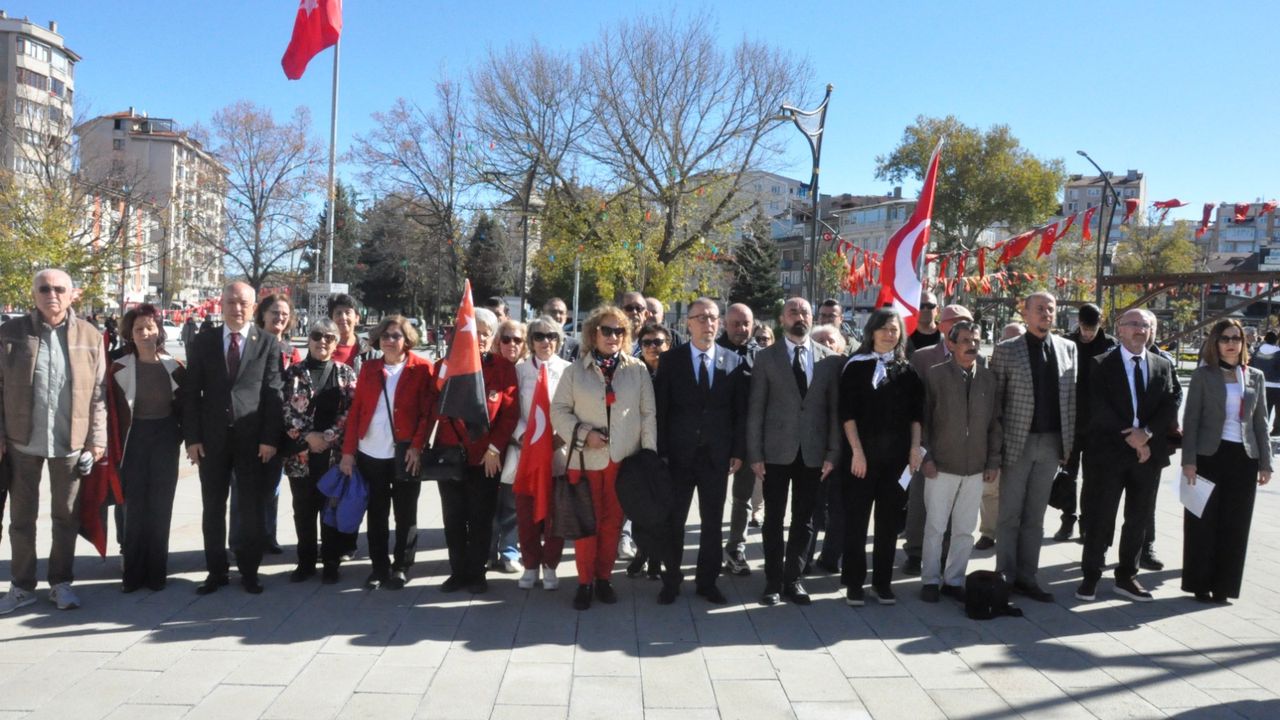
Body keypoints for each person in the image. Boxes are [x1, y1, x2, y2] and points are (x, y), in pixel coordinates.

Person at [0, 269, 107, 614]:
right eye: (44, 289)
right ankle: (21, 586)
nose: (52, 295)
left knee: (66, 517)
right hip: (22, 441)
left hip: (69, 443)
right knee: (22, 519)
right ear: (33, 294)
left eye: (59, 289)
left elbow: (99, 393)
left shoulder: (90, 335)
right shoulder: (10, 333)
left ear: (72, 294)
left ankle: (61, 583)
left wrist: (97, 441)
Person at [182, 281, 285, 596]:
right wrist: (192, 438)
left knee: (250, 508)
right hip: (212, 440)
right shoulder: (204, 341)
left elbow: (273, 392)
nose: (236, 308)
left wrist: (269, 438)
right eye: (230, 302)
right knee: (213, 507)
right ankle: (216, 572)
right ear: (221, 305)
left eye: (243, 303)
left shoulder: (267, 343)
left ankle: (250, 571)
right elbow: (191, 392)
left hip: (252, 440)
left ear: (253, 307)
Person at [551, 305, 656, 611]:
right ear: (593, 333)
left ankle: (604, 578)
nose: (613, 336)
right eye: (606, 330)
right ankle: (584, 581)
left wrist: (648, 456)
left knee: (611, 523)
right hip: (584, 460)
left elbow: (648, 414)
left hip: (623, 461)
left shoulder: (637, 369)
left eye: (619, 331)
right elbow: (558, 411)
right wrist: (584, 434)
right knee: (586, 522)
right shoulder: (574, 371)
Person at [1074, 309, 1179, 603]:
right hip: (1109, 453)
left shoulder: (1161, 364)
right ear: (1119, 329)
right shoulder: (1100, 364)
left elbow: (1170, 402)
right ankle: (1091, 576)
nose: (1140, 329)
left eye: (1145, 325)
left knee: (1138, 518)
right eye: (1133, 324)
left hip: (1148, 455)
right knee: (1100, 516)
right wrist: (1133, 437)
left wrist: (1146, 434)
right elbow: (1098, 407)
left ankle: (1127, 576)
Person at [746, 297, 839, 606]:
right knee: (773, 518)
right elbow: (756, 409)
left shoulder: (829, 359)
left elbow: (833, 411)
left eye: (805, 312)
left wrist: (833, 452)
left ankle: (794, 579)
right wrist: (755, 454)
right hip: (775, 452)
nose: (800, 316)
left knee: (805, 519)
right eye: (793, 312)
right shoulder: (766, 358)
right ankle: (773, 581)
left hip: (813, 452)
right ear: (782, 319)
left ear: (813, 318)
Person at [653, 299, 747, 605]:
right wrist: (662, 452)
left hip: (716, 456)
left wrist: (737, 450)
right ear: (688, 323)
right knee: (674, 520)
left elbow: (739, 413)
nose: (709, 323)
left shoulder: (733, 361)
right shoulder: (671, 361)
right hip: (679, 456)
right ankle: (671, 580)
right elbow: (661, 410)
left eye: (713, 318)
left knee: (712, 522)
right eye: (702, 318)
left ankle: (708, 582)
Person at [988, 291, 1077, 603]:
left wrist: (1068, 446)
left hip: (1051, 444)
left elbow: (1071, 400)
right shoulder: (1006, 350)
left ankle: (1028, 577)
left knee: (1035, 517)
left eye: (1050, 308)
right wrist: (995, 450)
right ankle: (1005, 575)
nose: (1046, 313)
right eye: (1039, 308)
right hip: (1017, 444)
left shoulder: (1067, 348)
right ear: (1025, 313)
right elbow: (996, 403)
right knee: (1009, 515)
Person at [1181, 319, 1272, 603]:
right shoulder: (1203, 375)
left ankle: (1225, 586)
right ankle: (1199, 583)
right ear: (1215, 343)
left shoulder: (1255, 376)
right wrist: (1188, 460)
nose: (1231, 343)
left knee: (1236, 524)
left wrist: (1266, 463)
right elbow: (1191, 420)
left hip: (1244, 458)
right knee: (1202, 521)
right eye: (1225, 338)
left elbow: (1261, 423)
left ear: (1244, 342)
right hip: (1209, 456)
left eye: (1236, 338)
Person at [339, 316, 434, 590]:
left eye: (396, 336)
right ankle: (379, 567)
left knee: (406, 513)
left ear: (407, 340)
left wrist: (417, 446)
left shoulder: (421, 368)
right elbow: (357, 411)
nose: (390, 341)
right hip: (370, 452)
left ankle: (402, 566)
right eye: (385, 336)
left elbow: (427, 414)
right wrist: (348, 452)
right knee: (376, 513)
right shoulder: (370, 368)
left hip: (405, 454)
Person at [840, 309, 924, 606]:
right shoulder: (856, 366)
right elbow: (847, 415)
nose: (890, 334)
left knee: (888, 524)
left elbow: (916, 416)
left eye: (895, 329)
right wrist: (857, 452)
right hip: (861, 459)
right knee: (856, 522)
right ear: (872, 331)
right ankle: (854, 583)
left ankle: (882, 583)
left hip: (896, 460)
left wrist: (914, 449)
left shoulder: (907, 371)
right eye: (884, 328)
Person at [433, 308, 520, 594]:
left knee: (481, 517)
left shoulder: (503, 368)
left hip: (486, 457)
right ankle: (458, 572)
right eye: (475, 332)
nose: (480, 338)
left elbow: (510, 413)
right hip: (451, 454)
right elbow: (435, 409)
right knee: (454, 516)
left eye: (486, 333)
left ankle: (477, 572)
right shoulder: (445, 366)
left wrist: (495, 448)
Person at [919, 320, 1000, 603]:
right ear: (951, 344)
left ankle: (953, 581)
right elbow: (923, 422)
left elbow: (995, 423)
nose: (972, 345)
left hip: (976, 468)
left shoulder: (988, 379)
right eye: (965, 340)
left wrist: (993, 461)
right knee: (935, 527)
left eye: (975, 340)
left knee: (965, 530)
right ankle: (930, 580)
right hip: (941, 466)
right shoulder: (935, 376)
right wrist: (926, 457)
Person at [111, 305, 186, 593]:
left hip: (165, 438)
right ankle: (133, 574)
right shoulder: (119, 368)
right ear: (130, 334)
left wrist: (184, 438)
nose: (145, 333)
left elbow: (186, 407)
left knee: (160, 507)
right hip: (133, 440)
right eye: (139, 328)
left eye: (150, 327)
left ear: (159, 331)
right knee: (133, 507)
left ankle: (156, 573)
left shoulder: (174, 367)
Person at [900, 304, 978, 574]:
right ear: (943, 325)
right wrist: (918, 445)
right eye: (958, 321)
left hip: (960, 447)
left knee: (954, 505)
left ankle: (945, 556)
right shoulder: (922, 357)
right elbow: (912, 402)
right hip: (926, 442)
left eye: (968, 321)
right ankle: (914, 552)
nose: (965, 327)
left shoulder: (977, 356)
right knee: (920, 502)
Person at [282, 318, 357, 584]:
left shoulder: (346, 374)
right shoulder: (293, 373)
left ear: (336, 343)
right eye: (316, 336)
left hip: (333, 455)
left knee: (330, 509)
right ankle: (305, 562)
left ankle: (331, 563)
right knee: (303, 510)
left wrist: (328, 436)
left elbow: (351, 411)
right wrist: (308, 436)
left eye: (328, 337)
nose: (322, 341)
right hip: (300, 455)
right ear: (308, 339)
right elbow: (285, 410)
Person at [512, 317, 572, 590]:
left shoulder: (569, 371)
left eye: (551, 336)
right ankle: (530, 565)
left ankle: (550, 565)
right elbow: (511, 410)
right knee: (526, 516)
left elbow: (577, 409)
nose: (545, 342)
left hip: (558, 455)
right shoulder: (520, 371)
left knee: (555, 516)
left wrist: (560, 438)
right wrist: (524, 436)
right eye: (539, 336)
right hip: (528, 456)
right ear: (531, 341)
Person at [1053, 302, 1117, 542]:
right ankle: (1067, 519)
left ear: (1101, 323)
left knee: (1093, 478)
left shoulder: (1110, 345)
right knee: (1068, 474)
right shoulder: (1067, 342)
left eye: (1092, 328)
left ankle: (1087, 523)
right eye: (1084, 328)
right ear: (1078, 323)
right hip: (1070, 420)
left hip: (1097, 424)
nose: (1088, 333)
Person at [718, 303, 761, 576]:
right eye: (735, 323)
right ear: (725, 323)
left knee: (742, 498)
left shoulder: (762, 356)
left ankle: (736, 548)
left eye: (746, 323)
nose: (741, 329)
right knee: (712, 499)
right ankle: (710, 550)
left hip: (748, 440)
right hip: (717, 439)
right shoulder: (713, 352)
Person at [627, 322, 670, 579]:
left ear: (668, 345)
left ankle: (657, 557)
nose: (653, 347)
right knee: (640, 507)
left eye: (658, 342)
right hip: (638, 449)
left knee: (663, 507)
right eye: (647, 343)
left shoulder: (676, 372)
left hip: (668, 449)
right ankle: (642, 552)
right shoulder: (632, 371)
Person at [490, 318, 527, 574]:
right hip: (491, 447)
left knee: (513, 505)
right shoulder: (490, 367)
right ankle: (488, 551)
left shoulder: (528, 371)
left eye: (517, 339)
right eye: (506, 339)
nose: (511, 344)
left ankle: (510, 551)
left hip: (520, 446)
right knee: (491, 503)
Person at [1252, 330, 1280, 436]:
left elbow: (1252, 365)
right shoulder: (1278, 352)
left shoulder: (1257, 351)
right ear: (1276, 340)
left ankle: (1262, 430)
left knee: (1264, 409)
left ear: (1265, 339)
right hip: (1277, 385)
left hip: (1262, 384)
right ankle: (1277, 429)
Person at [543, 297, 580, 361]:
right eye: (553, 312)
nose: (557, 316)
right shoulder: (534, 341)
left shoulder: (575, 346)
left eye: (561, 312)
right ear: (544, 314)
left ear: (566, 317)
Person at [906, 290, 941, 355]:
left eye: (930, 305)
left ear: (937, 310)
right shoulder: (904, 335)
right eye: (920, 306)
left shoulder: (947, 334)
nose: (925, 309)